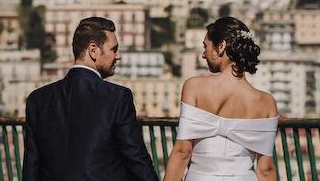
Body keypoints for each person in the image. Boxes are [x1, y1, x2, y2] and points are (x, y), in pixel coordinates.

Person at [22, 16, 159, 181]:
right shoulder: (117, 97)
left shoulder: (38, 99)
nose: (118, 56)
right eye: (114, 49)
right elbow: (135, 158)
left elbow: (31, 166)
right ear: (93, 50)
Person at [163, 17, 279, 181]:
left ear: (221, 46)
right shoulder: (267, 103)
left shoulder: (194, 87)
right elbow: (265, 169)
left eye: (206, 46)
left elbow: (183, 152)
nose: (203, 54)